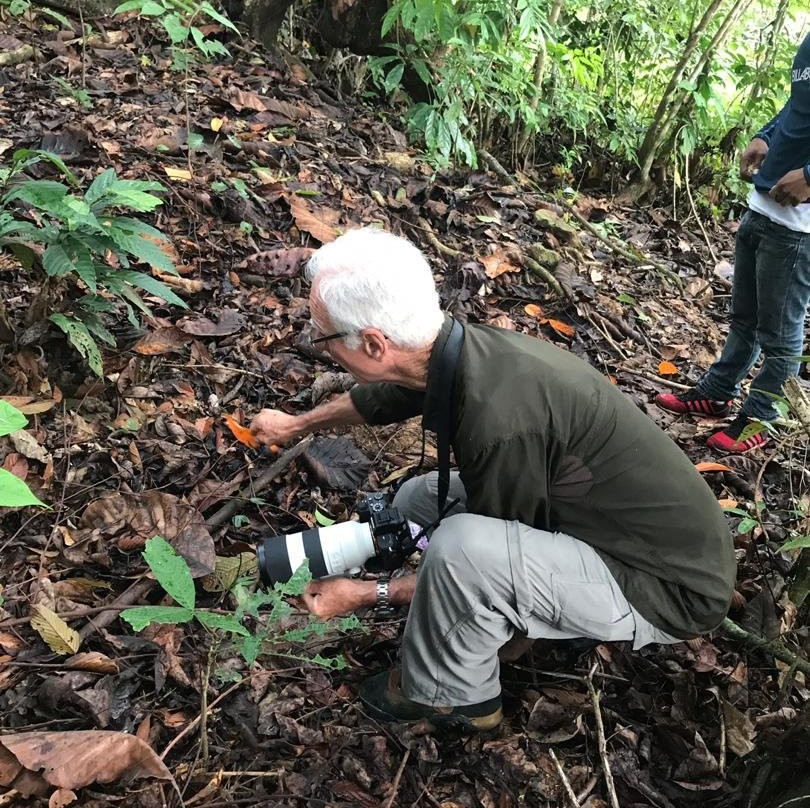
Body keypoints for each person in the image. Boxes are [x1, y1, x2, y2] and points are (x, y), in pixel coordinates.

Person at [250, 227, 735, 731]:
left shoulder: (500, 424)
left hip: (666, 585)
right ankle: (497, 620)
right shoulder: (461, 351)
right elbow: (389, 396)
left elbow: (475, 557)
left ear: (374, 344)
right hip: (601, 520)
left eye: (321, 335)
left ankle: (454, 698)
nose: (316, 343)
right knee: (420, 496)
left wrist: (369, 593)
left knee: (461, 549)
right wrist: (296, 425)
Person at [656, 34, 810, 453]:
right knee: (744, 318)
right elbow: (798, 108)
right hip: (763, 207)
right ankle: (718, 390)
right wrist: (765, 135)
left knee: (779, 334)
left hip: (800, 228)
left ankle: (762, 417)